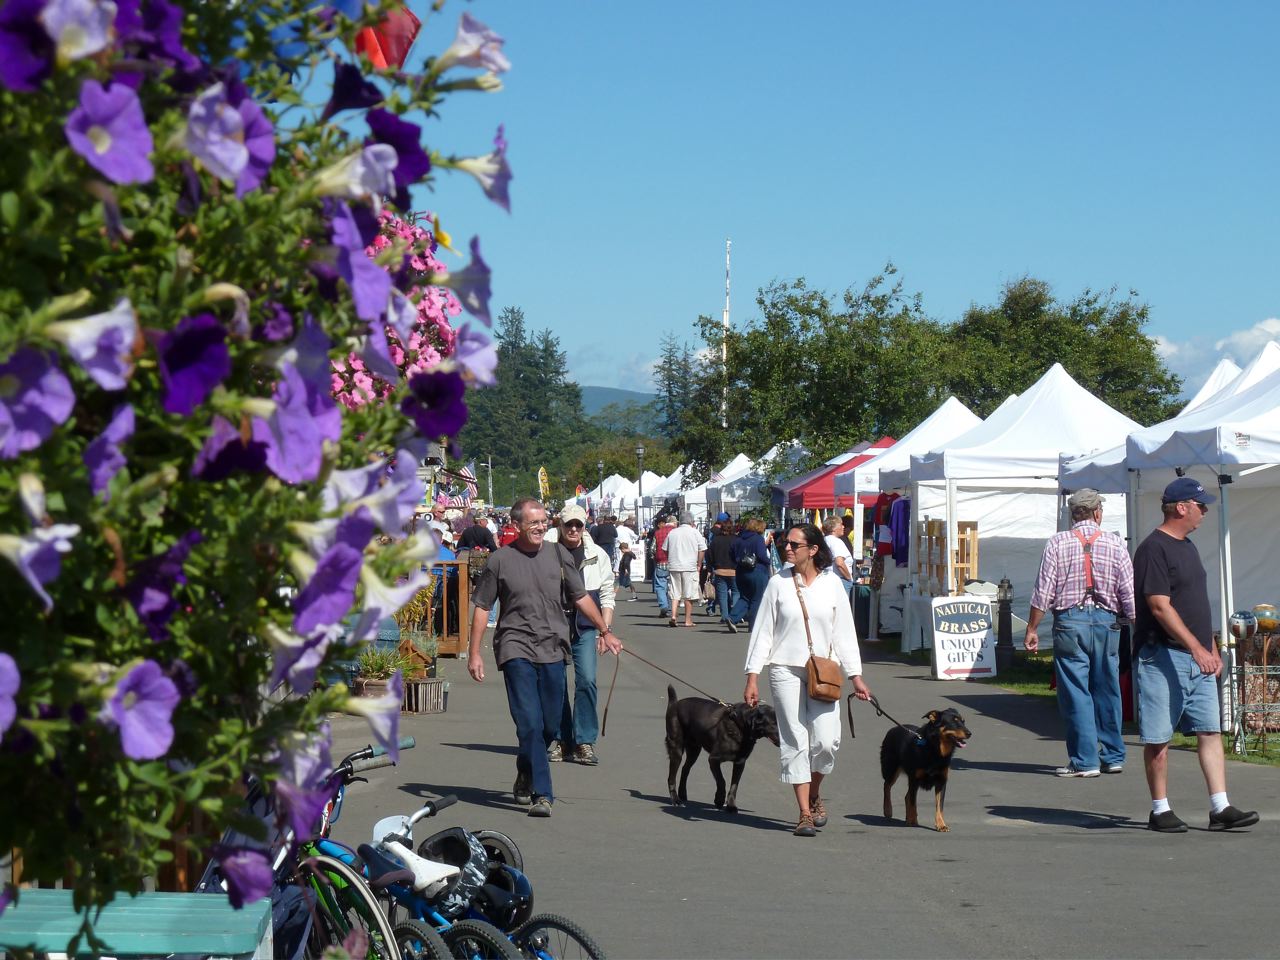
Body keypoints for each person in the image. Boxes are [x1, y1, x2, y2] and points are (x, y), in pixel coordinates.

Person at [468, 498, 623, 817]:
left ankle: (526, 771)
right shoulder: (500, 560)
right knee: (528, 722)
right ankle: (543, 793)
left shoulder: (558, 554)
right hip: (515, 646)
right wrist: (474, 653)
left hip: (553, 646)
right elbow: (483, 607)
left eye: (543, 522)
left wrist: (605, 630)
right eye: (532, 522)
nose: (540, 527)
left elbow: (580, 597)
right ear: (516, 525)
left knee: (550, 724)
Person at [1132, 477, 1259, 833]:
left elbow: (1195, 604)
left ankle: (1220, 806)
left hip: (1198, 654)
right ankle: (1160, 809)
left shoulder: (1186, 546)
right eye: (1200, 505)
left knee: (1209, 731)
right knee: (1159, 739)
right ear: (1181, 507)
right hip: (1163, 656)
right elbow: (1159, 606)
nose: (1204, 511)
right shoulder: (1153, 549)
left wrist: (1212, 645)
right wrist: (1196, 647)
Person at [743, 524, 872, 837]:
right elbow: (763, 632)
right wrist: (752, 677)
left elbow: (845, 634)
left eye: (794, 544)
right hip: (784, 668)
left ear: (813, 549)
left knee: (826, 741)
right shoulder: (778, 583)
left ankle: (814, 792)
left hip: (824, 671)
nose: (787, 548)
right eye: (785, 543)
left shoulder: (832, 586)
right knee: (795, 739)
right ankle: (803, 813)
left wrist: (856, 676)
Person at [1024, 488, 1134, 778]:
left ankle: (1085, 760)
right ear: (1098, 512)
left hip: (1070, 622)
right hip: (1107, 622)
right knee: (1108, 688)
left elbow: (1043, 590)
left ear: (1073, 514)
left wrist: (1032, 628)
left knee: (1076, 692)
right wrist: (1136, 624)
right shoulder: (1114, 543)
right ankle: (1112, 755)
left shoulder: (1058, 542)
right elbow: (1128, 590)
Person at [543, 504, 615, 766]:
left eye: (578, 525)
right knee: (556, 684)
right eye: (569, 525)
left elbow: (607, 594)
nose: (573, 529)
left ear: (585, 527)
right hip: (553, 625)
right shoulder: (547, 551)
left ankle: (584, 740)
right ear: (560, 526)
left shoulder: (597, 555)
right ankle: (563, 741)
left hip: (585, 626)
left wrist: (604, 631)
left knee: (587, 681)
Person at [664, 512, 706, 628]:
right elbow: (702, 549)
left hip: (674, 565)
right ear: (691, 521)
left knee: (674, 591)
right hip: (690, 566)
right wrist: (699, 563)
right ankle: (688, 620)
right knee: (689, 593)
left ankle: (673, 615)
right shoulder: (695, 532)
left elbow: (665, 548)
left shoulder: (672, 532)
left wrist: (670, 557)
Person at [733, 518, 772, 628]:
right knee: (757, 598)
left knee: (745, 597)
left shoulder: (738, 539)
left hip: (740, 571)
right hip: (757, 570)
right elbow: (761, 555)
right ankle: (754, 624)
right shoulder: (758, 539)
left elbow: (731, 553)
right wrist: (770, 562)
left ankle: (732, 617)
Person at [706, 513, 741, 633]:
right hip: (734, 570)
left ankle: (725, 616)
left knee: (722, 594)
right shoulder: (737, 540)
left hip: (719, 570)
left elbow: (709, 555)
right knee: (736, 592)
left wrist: (710, 568)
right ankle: (735, 615)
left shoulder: (716, 540)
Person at [822, 516, 855, 600]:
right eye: (841, 525)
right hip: (840, 580)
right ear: (833, 528)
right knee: (842, 609)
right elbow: (839, 563)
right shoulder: (836, 542)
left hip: (828, 579)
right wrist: (849, 578)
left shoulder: (824, 540)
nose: (843, 527)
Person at [652, 514, 677, 619]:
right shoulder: (676, 533)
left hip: (661, 562)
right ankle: (672, 609)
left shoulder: (657, 533)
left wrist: (654, 557)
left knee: (661, 586)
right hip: (675, 563)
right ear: (674, 523)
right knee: (673, 587)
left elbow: (652, 548)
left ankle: (664, 606)